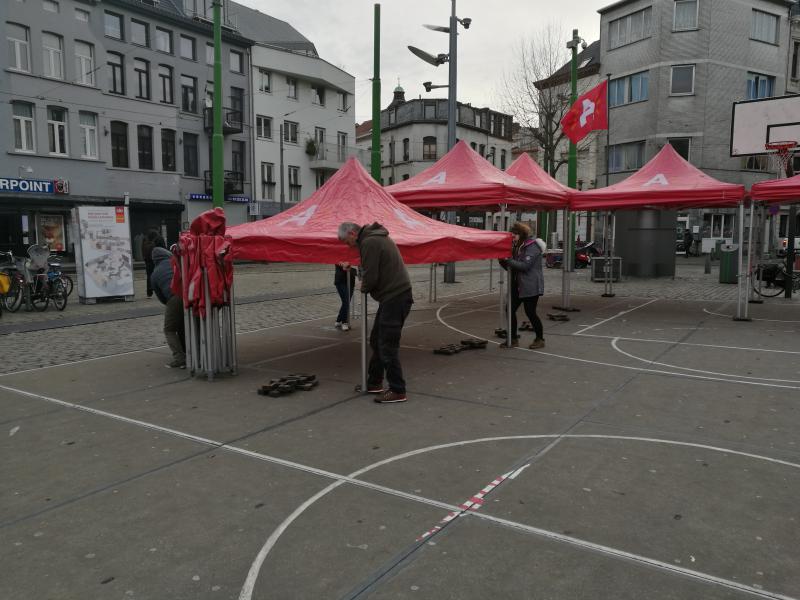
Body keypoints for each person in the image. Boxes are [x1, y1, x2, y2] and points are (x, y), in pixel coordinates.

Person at [338, 221, 413, 404]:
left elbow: (371, 277)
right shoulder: (372, 239)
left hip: (395, 297)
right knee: (376, 339)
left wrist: (364, 287)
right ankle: (374, 382)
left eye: (346, 241)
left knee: (387, 344)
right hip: (393, 297)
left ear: (352, 233)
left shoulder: (369, 242)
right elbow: (370, 271)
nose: (348, 246)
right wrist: (358, 273)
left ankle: (398, 390)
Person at [499, 222, 545, 349]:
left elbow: (525, 266)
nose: (512, 237)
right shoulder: (518, 246)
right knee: (510, 310)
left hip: (531, 285)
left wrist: (508, 260)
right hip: (518, 284)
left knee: (530, 312)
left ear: (520, 234)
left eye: (514, 235)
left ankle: (540, 339)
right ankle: (513, 339)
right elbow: (512, 268)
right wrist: (502, 260)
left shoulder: (532, 246)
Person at [151, 246, 185, 368]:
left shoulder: (155, 273)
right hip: (189, 294)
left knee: (169, 329)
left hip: (173, 297)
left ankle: (179, 358)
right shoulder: (176, 262)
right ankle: (192, 352)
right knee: (184, 325)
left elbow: (161, 296)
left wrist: (171, 304)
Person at [141, 229, 165, 298]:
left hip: (148, 260)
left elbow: (142, 249)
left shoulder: (145, 239)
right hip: (156, 260)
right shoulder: (159, 239)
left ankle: (149, 292)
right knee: (160, 275)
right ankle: (161, 290)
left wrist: (144, 258)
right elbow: (163, 248)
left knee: (149, 275)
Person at [334, 261, 357, 331]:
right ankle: (344, 322)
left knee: (346, 302)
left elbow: (356, 270)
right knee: (346, 301)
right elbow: (340, 266)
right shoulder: (338, 255)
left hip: (350, 282)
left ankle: (338, 319)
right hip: (340, 281)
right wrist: (345, 267)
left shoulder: (355, 255)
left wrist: (349, 268)